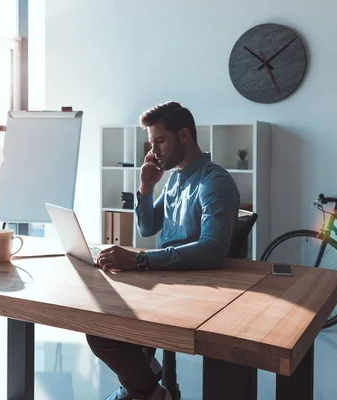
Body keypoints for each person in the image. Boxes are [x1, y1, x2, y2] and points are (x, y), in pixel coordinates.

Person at [87, 102, 241, 400]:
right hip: (164, 280)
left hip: (195, 290)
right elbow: (147, 228)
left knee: (103, 331)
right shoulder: (175, 180)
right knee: (99, 320)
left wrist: (140, 259)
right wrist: (146, 187)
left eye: (159, 140)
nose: (154, 149)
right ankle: (147, 388)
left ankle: (143, 390)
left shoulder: (215, 181)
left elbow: (213, 250)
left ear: (184, 135)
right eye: (151, 143)